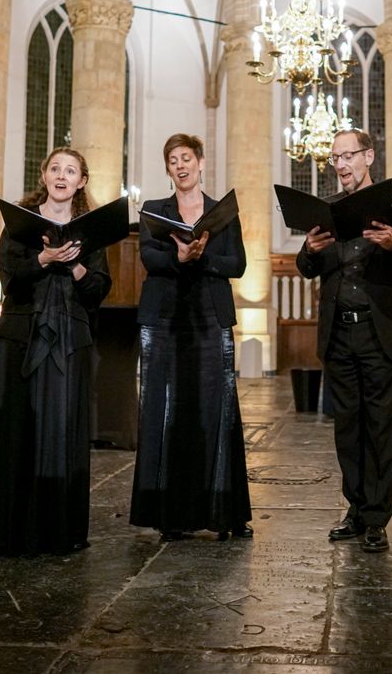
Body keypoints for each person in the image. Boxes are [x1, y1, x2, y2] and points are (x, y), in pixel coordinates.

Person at [0, 147, 112, 558]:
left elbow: (100, 289)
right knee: (13, 430)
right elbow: (9, 279)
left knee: (62, 429)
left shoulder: (91, 232)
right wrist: (43, 259)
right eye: (55, 168)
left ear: (82, 181)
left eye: (71, 170)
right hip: (20, 335)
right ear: (44, 175)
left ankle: (57, 532)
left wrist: (78, 267)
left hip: (69, 339)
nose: (62, 175)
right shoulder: (19, 222)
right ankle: (2, 534)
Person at [297, 129, 392, 553]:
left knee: (380, 427)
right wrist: (309, 249)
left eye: (348, 155)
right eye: (335, 158)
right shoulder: (327, 208)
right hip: (338, 332)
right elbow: (306, 267)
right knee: (348, 428)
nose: (341, 164)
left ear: (368, 156)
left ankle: (377, 517)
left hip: (379, 330)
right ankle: (355, 510)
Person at [130, 133, 252, 542]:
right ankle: (170, 513)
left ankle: (223, 512)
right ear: (168, 169)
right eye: (172, 160)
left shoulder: (222, 211)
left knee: (216, 409)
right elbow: (148, 256)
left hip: (209, 318)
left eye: (186, 158)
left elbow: (237, 264)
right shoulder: (155, 210)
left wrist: (201, 258)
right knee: (165, 412)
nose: (180, 165)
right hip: (165, 319)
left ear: (200, 162)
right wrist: (177, 257)